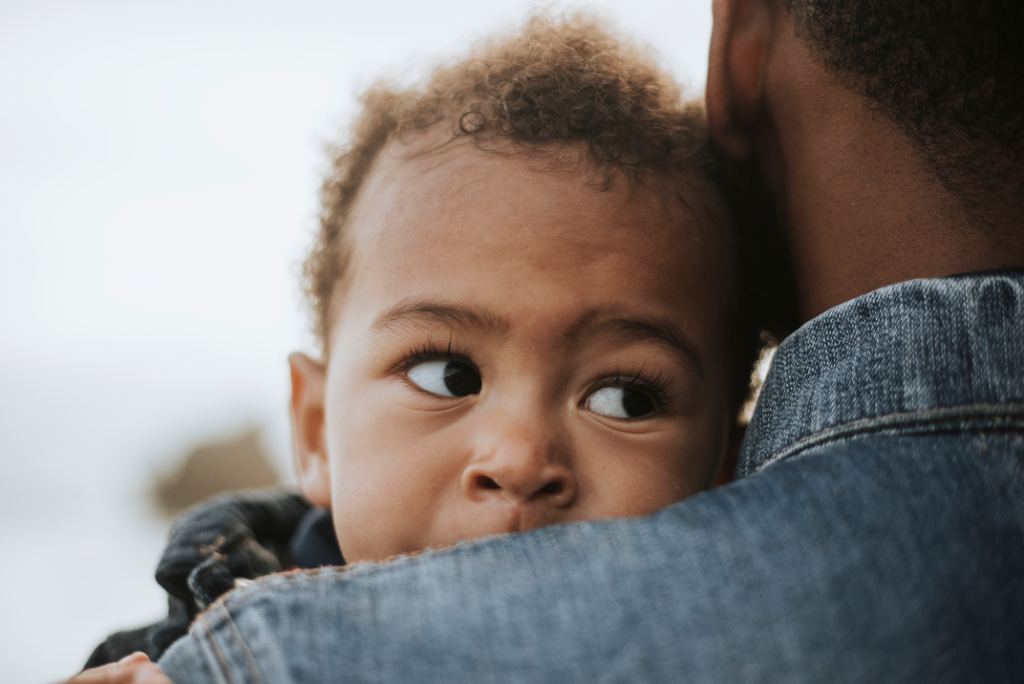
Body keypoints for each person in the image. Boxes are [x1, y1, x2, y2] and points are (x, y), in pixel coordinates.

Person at [79, 0, 1024, 680]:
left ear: (729, 468)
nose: (521, 460)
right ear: (318, 428)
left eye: (626, 397)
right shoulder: (175, 653)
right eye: (448, 374)